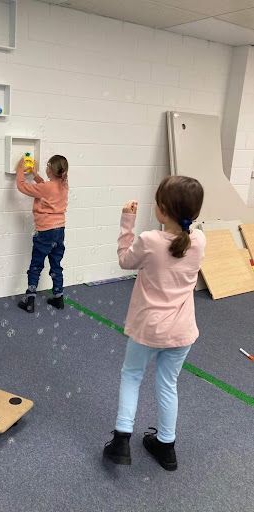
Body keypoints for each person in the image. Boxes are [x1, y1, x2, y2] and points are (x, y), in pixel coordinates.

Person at [103, 175, 205, 471]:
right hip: (182, 332)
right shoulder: (199, 241)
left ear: (161, 209)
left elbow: (124, 260)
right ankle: (166, 445)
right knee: (168, 383)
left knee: (132, 376)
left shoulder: (149, 241)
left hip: (147, 330)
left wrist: (127, 223)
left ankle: (121, 441)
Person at [16, 155, 69, 313]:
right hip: (60, 231)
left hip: (45, 231)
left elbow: (21, 186)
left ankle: (30, 300)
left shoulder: (46, 188)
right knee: (56, 264)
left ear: (50, 169)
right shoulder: (64, 185)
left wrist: (20, 168)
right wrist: (35, 175)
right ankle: (59, 298)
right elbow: (46, 188)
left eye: (47, 165)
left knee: (36, 265)